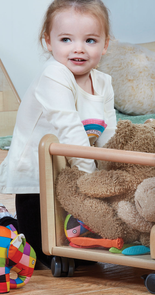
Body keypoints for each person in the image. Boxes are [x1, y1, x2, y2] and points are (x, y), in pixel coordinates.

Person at [0, 0, 116, 268]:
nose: (78, 48)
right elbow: (70, 130)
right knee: (48, 254)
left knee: (87, 257)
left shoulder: (103, 82)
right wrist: (93, 184)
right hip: (38, 179)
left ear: (105, 44)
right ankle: (8, 223)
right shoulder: (54, 75)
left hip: (73, 176)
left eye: (90, 40)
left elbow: (110, 132)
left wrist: (113, 172)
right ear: (48, 42)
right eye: (66, 39)